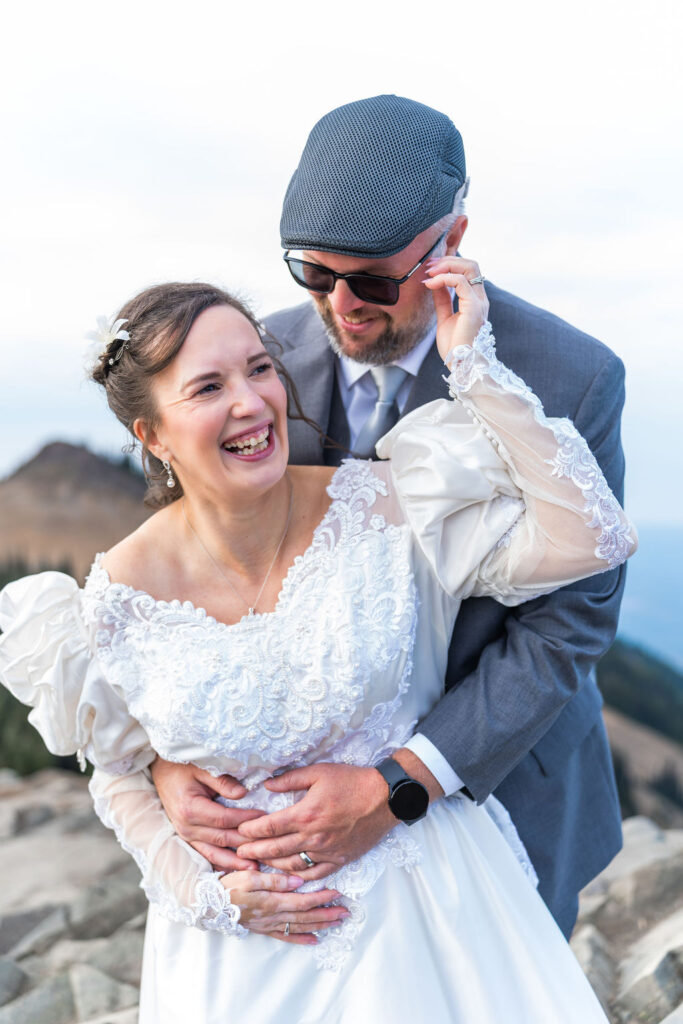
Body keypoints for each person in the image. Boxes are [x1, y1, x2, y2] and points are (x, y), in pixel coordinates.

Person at [0, 266, 635, 1020]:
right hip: (242, 961)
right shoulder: (114, 597)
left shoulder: (386, 504)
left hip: (431, 920)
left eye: (260, 369)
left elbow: (589, 541)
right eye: (208, 388)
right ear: (151, 434)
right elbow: (114, 773)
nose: (251, 402)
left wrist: (473, 367)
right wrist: (203, 892)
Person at [151, 94, 629, 941]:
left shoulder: (571, 377)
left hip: (504, 787)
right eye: (313, 272)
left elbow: (570, 627)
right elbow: (191, 567)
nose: (340, 307)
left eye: (372, 279)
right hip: (301, 824)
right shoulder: (260, 361)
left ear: (452, 241)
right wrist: (167, 756)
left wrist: (399, 785)